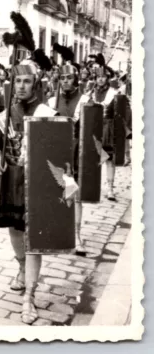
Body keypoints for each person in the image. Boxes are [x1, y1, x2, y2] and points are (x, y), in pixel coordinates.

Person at [0, 61, 58, 325]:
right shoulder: (5, 114)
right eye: (17, 81)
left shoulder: (48, 112)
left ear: (36, 84)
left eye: (26, 81)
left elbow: (61, 151)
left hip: (37, 184)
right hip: (11, 180)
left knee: (33, 238)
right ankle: (21, 267)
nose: (21, 86)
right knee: (15, 231)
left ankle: (29, 295)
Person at [47, 64, 90, 255]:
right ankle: (58, 231)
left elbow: (89, 131)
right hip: (57, 152)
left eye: (69, 78)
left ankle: (77, 235)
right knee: (57, 192)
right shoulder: (51, 101)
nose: (65, 81)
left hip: (76, 152)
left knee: (76, 195)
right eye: (62, 78)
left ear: (75, 79)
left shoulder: (84, 100)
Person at [89, 62, 119, 201]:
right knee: (92, 158)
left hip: (108, 127)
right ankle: (91, 186)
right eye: (98, 77)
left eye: (103, 77)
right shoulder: (90, 92)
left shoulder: (114, 93)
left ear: (107, 78)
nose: (100, 79)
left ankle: (110, 188)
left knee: (109, 158)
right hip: (93, 127)